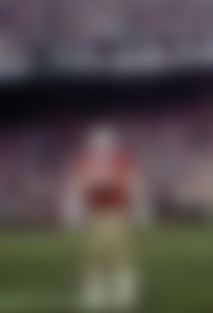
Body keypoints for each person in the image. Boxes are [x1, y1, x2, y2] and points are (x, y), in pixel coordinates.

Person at [64, 124, 148, 312]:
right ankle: (97, 291)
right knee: (96, 253)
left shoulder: (122, 160)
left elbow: (133, 183)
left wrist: (140, 208)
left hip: (116, 211)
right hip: (96, 213)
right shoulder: (85, 161)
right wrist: (73, 209)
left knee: (119, 252)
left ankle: (125, 290)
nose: (102, 150)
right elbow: (77, 185)